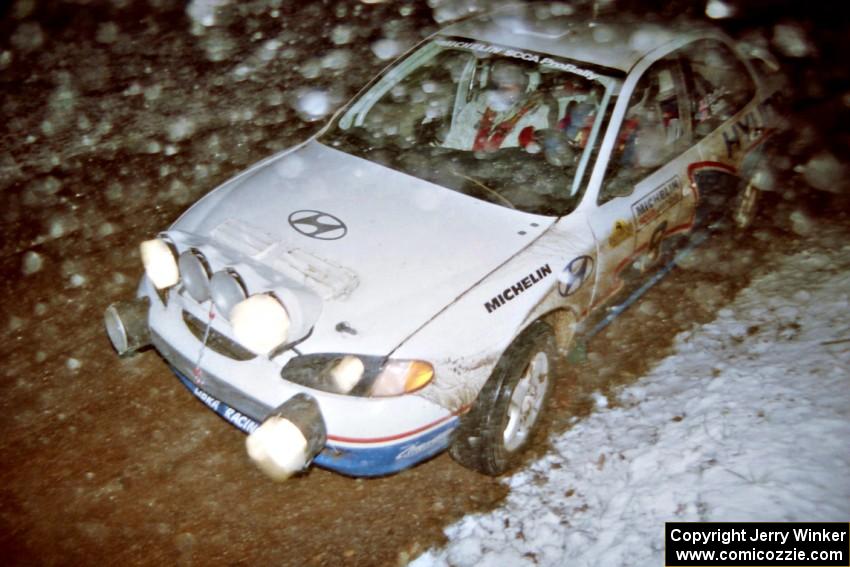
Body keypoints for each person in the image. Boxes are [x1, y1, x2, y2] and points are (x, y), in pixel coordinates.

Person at [442, 60, 552, 152]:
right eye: (500, 80)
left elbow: (530, 155)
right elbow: (451, 145)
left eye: (512, 80)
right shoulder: (474, 108)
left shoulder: (537, 115)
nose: (503, 86)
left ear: (525, 86)